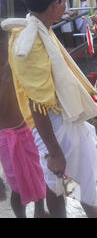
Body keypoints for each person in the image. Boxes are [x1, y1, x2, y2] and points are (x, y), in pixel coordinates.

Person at [5, 0, 97, 218]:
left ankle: (88, 213)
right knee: (60, 179)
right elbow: (38, 104)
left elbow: (59, 77)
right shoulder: (29, 44)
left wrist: (87, 93)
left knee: (72, 175)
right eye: (63, 1)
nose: (66, 5)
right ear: (53, 7)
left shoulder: (38, 28)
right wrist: (55, 152)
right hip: (51, 123)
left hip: (59, 117)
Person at [0, 26, 47, 218]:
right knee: (17, 186)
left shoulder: (15, 64)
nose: (5, 50)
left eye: (6, 45)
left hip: (28, 129)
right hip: (7, 137)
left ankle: (39, 212)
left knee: (39, 175)